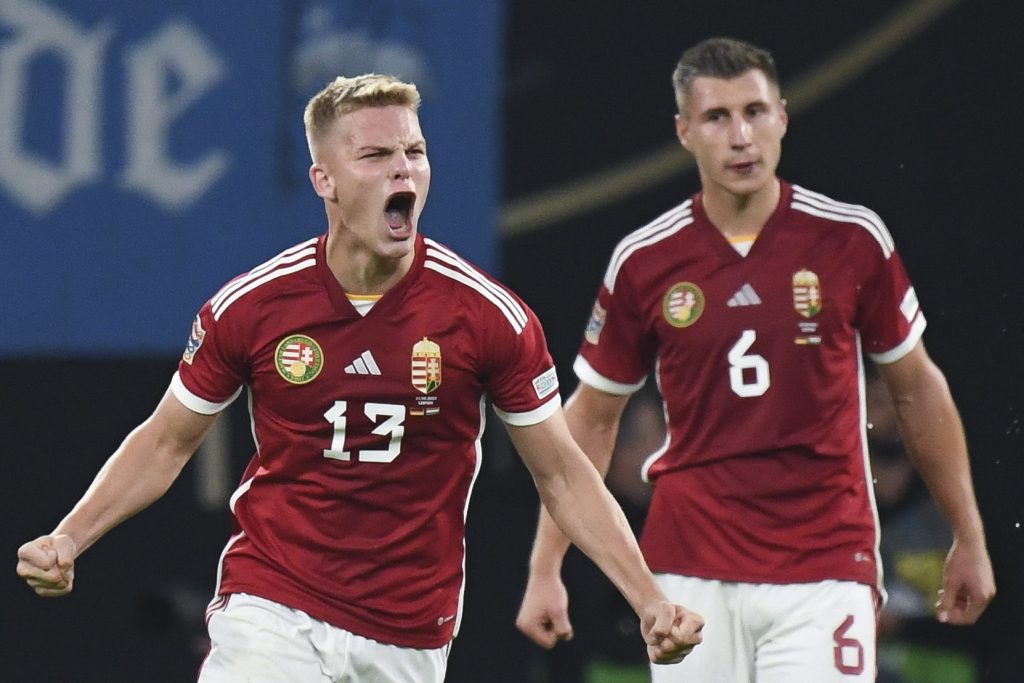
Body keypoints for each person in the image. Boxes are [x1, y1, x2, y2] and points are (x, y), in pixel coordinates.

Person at [16, 73, 703, 683]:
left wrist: (648, 597)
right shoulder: (253, 307)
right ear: (325, 180)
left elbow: (563, 474)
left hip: (408, 632)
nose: (402, 169)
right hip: (274, 604)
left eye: (415, 152)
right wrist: (70, 536)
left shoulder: (487, 316)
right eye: (375, 155)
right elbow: (166, 441)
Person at [515, 37, 995, 681]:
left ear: (782, 118)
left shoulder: (850, 239)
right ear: (685, 132)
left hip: (825, 565)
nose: (741, 136)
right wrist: (545, 567)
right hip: (688, 569)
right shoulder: (645, 260)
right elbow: (592, 420)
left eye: (755, 112)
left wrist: (968, 534)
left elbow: (917, 389)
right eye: (717, 117)